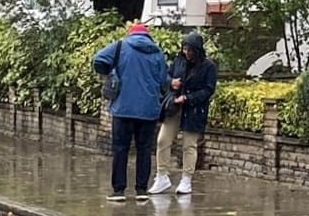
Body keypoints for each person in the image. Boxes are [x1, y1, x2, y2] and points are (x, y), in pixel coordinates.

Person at [91, 22, 171, 202]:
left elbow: (98, 60)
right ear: (147, 36)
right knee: (144, 149)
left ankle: (118, 191)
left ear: (131, 34)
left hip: (123, 108)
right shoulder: (157, 52)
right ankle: (141, 189)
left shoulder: (120, 46)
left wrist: (110, 72)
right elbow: (163, 81)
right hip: (148, 110)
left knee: (120, 149)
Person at [148, 31, 218, 196]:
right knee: (162, 140)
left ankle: (186, 179)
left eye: (190, 50)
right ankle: (162, 176)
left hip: (193, 109)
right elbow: (168, 76)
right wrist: (171, 83)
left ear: (197, 50)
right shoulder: (179, 61)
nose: (186, 53)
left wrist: (188, 98)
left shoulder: (208, 66)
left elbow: (208, 90)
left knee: (189, 144)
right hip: (174, 107)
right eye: (184, 49)